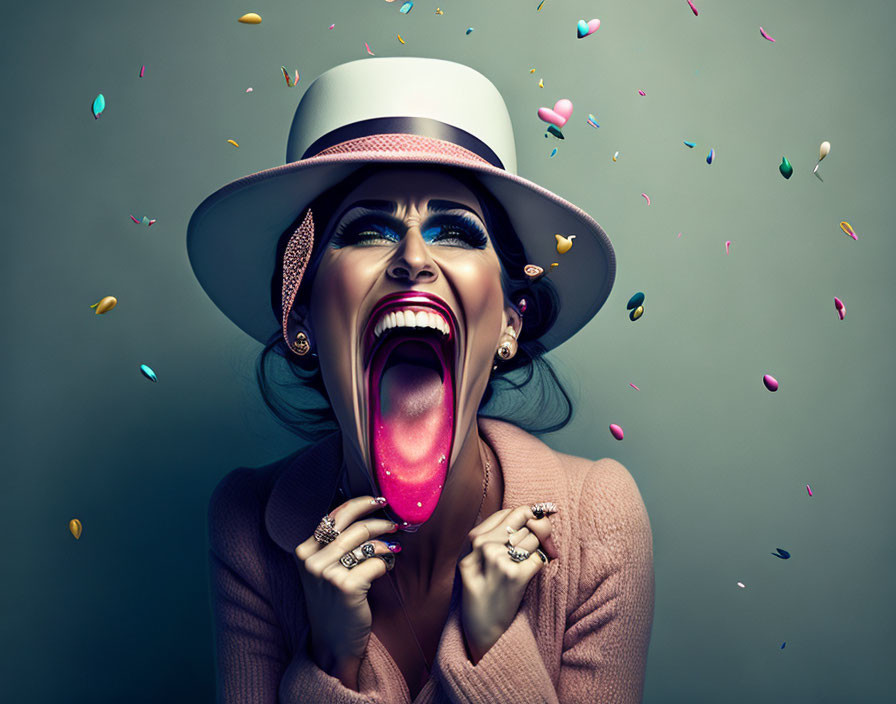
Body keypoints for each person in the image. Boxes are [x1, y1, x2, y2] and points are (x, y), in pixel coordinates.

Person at [188, 56, 654, 703]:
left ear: (511, 321)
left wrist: (489, 645)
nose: (412, 258)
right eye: (368, 231)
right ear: (301, 317)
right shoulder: (248, 526)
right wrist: (333, 661)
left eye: (455, 231)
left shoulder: (596, 521)